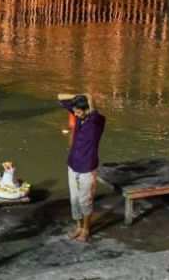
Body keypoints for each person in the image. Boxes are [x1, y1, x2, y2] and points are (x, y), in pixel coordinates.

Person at [58, 93, 105, 242]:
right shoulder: (79, 116)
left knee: (86, 201)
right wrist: (79, 95)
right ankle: (78, 227)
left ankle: (86, 229)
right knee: (75, 199)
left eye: (79, 111)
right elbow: (60, 97)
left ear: (87, 109)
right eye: (75, 111)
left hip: (87, 168)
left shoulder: (96, 122)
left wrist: (89, 96)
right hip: (73, 164)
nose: (76, 114)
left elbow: (94, 108)